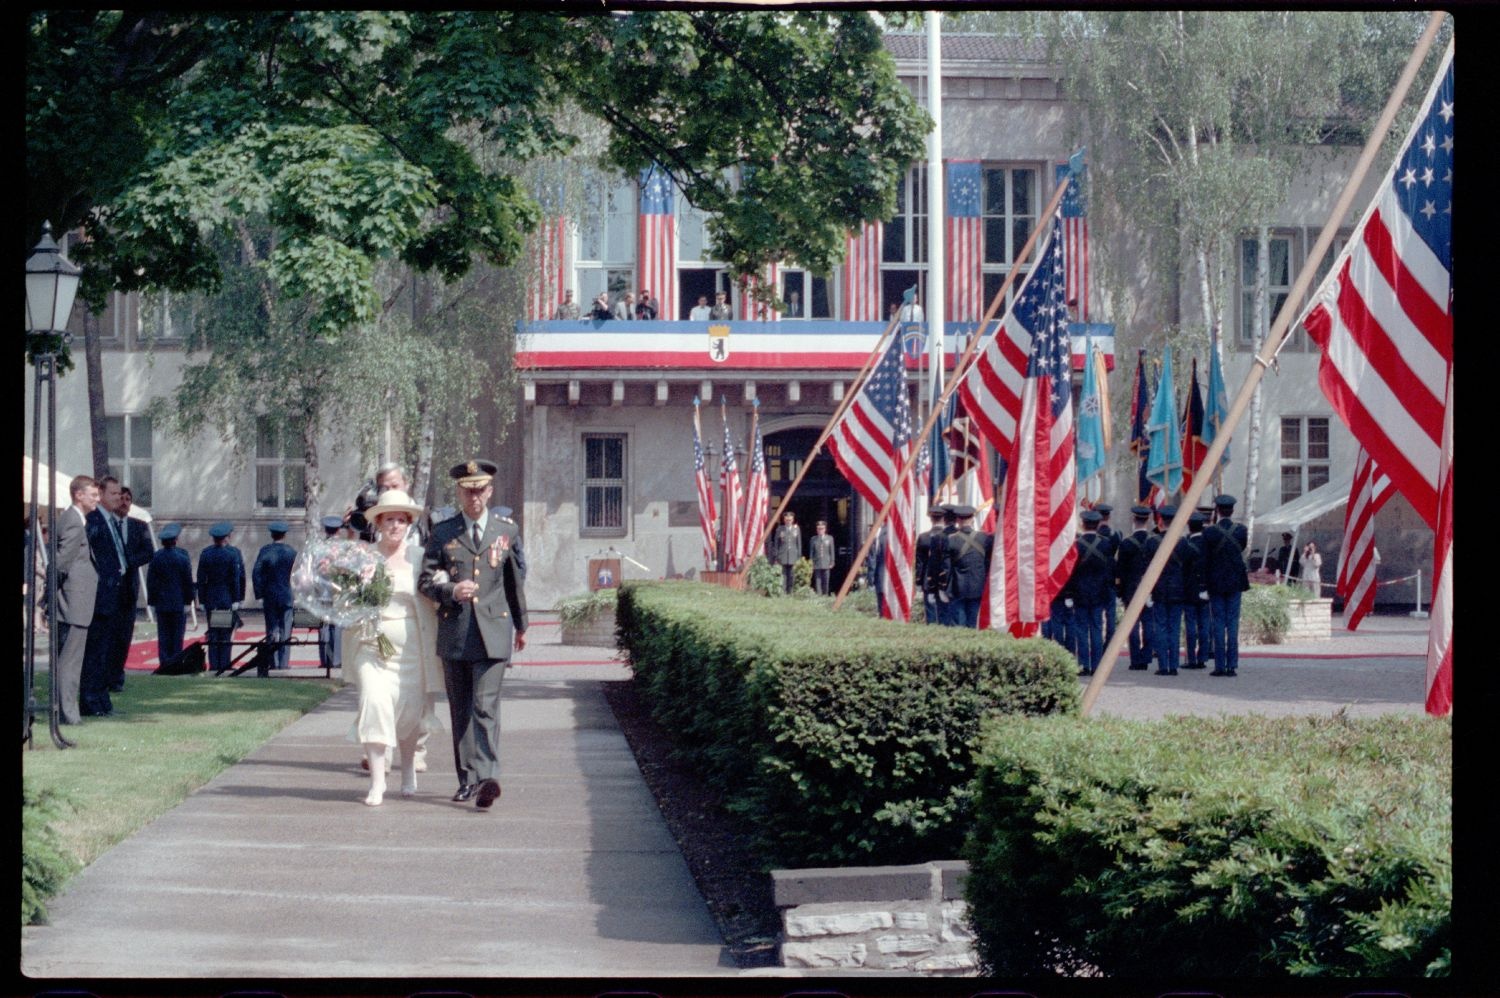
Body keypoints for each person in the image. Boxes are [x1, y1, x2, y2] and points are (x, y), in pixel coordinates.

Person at [419, 459, 529, 811]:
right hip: (456, 630)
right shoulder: (443, 532)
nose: (475, 497)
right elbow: (424, 581)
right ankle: (467, 779)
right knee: (461, 709)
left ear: (490, 490)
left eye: (480, 489)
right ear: (460, 492)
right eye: (468, 491)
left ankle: (488, 777)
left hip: (494, 631)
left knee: (486, 707)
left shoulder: (505, 530)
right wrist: (451, 590)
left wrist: (522, 625)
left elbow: (514, 582)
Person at [346, 489, 444, 806]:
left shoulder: (420, 557)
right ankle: (377, 783)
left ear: (409, 524)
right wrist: (356, 585)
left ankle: (407, 772)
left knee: (411, 713)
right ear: (378, 522)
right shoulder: (364, 557)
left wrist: (444, 583)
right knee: (374, 702)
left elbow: (434, 589)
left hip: (413, 648)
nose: (396, 525)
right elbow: (345, 602)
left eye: (401, 520)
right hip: (371, 646)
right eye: (390, 519)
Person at [80, 476, 132, 717]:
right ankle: (91, 700)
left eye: (119, 494)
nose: (118, 498)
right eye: (113, 494)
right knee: (96, 652)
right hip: (101, 596)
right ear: (100, 494)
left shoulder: (110, 520)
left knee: (107, 651)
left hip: (114, 594)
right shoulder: (94, 520)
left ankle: (101, 699)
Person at [54, 476, 101, 725]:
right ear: (78, 495)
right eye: (93, 494)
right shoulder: (73, 522)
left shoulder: (74, 520)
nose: (97, 499)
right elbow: (61, 563)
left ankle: (67, 712)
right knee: (70, 663)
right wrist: (54, 597)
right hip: (73, 603)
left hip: (74, 601)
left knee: (69, 661)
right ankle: (68, 715)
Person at [1204, 495, 1250, 677]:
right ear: (1232, 511)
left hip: (1216, 583)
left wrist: (1204, 584)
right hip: (1235, 582)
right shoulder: (1241, 531)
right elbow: (1241, 548)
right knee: (1232, 624)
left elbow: (1205, 560)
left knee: (1218, 623)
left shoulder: (1209, 532)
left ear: (1217, 511)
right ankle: (1232, 664)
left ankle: (1220, 665)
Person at [1064, 509, 1112, 674]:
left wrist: (1069, 594)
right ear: (1098, 525)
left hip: (1079, 593)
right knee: (1097, 629)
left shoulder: (1076, 545)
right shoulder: (1106, 544)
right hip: (1099, 593)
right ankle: (1097, 665)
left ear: (1083, 524)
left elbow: (1070, 572)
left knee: (1082, 630)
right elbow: (1108, 572)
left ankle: (1084, 664)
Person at [1114, 505, 1159, 671]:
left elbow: (1120, 570)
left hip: (1131, 589)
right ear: (1147, 520)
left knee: (1132, 624)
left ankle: (1135, 659)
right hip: (1150, 589)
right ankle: (1146, 656)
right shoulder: (1154, 542)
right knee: (1149, 623)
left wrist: (1119, 591)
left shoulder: (1126, 543)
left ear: (1134, 520)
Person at [197, 521, 246, 673]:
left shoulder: (206, 554)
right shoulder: (232, 554)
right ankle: (224, 663)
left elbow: (201, 579)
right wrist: (237, 599)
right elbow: (236, 579)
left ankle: (214, 663)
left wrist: (202, 599)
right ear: (227, 537)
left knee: (213, 632)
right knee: (224, 633)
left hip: (211, 598)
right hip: (226, 599)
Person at [147, 523, 194, 667]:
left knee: (164, 635)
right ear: (176, 540)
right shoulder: (182, 557)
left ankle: (164, 662)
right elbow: (187, 581)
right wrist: (188, 601)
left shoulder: (156, 558)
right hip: (178, 602)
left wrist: (152, 602)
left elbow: (151, 582)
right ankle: (176, 662)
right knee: (177, 635)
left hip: (161, 603)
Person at [252, 521, 297, 670]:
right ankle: (283, 663)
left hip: (270, 595)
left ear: (272, 535)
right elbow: (296, 575)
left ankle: (273, 662)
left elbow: (256, 573)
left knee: (271, 629)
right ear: (284, 535)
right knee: (286, 630)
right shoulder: (291, 552)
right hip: (286, 595)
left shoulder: (265, 551)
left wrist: (259, 594)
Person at [1181, 512, 1213, 670]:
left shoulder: (1185, 544)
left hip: (1189, 590)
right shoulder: (1209, 544)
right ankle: (1203, 657)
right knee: (1204, 625)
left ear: (1189, 526)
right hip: (1205, 588)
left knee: (1190, 625)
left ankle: (1191, 659)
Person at [913, 506, 948, 624]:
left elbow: (920, 562)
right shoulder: (949, 536)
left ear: (931, 519)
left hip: (928, 578)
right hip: (946, 579)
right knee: (946, 612)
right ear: (944, 519)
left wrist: (918, 581)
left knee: (931, 612)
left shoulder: (923, 537)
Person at [770, 511, 802, 593]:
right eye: (787, 520)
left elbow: (799, 543)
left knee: (791, 575)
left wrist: (799, 556)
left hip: (793, 555)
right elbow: (776, 543)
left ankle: (790, 592)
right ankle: (783, 592)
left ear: (793, 520)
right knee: (783, 575)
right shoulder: (780, 529)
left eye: (790, 520)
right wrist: (776, 556)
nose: (788, 521)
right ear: (784, 520)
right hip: (782, 555)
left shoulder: (796, 529)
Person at [809, 520, 835, 596]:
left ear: (825, 529)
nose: (820, 530)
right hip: (816, 563)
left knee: (826, 581)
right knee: (818, 581)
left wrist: (832, 561)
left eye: (822, 528)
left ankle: (825, 595)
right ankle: (819, 596)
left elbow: (832, 551)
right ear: (816, 529)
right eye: (819, 529)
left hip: (826, 562)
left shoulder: (829, 538)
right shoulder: (813, 539)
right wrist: (811, 562)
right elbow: (811, 552)